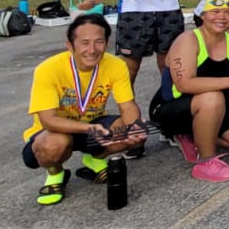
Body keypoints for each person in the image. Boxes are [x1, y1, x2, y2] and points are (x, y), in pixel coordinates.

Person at [22, 13, 147, 206]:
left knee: (135, 130)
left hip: (92, 125)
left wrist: (134, 128)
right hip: (54, 131)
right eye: (85, 43)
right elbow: (48, 120)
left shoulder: (116, 65)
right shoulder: (47, 69)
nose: (92, 49)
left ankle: (95, 159)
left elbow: (128, 105)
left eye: (99, 42)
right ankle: (56, 174)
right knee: (55, 144)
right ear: (70, 45)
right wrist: (88, 129)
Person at [151, 0, 229, 183]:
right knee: (213, 97)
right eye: (215, 12)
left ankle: (194, 136)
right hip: (170, 107)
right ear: (203, 15)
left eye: (228, 13)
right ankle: (205, 161)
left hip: (210, 106)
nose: (222, 17)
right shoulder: (188, 40)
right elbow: (184, 84)